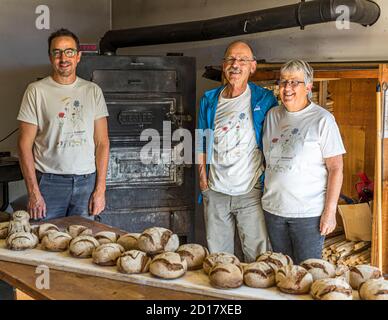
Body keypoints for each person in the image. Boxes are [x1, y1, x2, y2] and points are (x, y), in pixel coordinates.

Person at [196, 40, 278, 262]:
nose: (236, 64)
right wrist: (203, 179)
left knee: (258, 257)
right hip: (215, 189)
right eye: (231, 59)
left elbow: (276, 139)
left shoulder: (265, 98)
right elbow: (201, 139)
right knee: (219, 258)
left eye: (242, 60)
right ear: (223, 65)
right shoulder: (210, 99)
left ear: (252, 67)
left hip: (250, 189)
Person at [17, 28, 109, 220]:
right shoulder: (36, 91)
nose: (63, 58)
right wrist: (34, 192)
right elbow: (24, 145)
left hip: (86, 184)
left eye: (69, 52)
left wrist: (100, 190)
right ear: (50, 57)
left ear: (78, 56)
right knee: (44, 244)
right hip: (49, 184)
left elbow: (102, 143)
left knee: (84, 244)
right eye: (57, 52)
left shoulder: (93, 91)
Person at [262, 59, 346, 264]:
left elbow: (336, 168)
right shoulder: (273, 116)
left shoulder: (322, 120)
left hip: (308, 215)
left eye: (294, 82)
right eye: (283, 82)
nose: (287, 88)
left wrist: (330, 212)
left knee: (309, 274)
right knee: (282, 272)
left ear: (308, 87)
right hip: (273, 210)